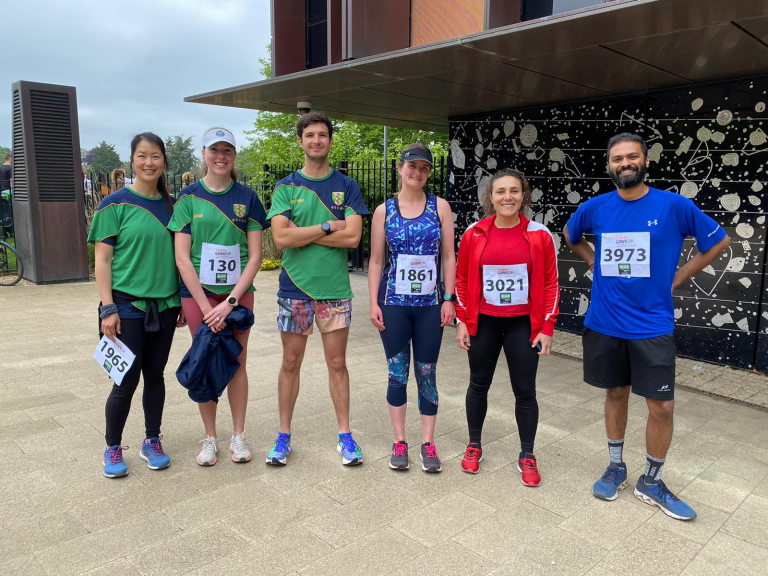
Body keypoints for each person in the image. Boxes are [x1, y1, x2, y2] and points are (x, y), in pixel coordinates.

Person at [564, 132, 731, 520]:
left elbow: (718, 242)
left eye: (632, 157)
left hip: (652, 324)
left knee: (662, 405)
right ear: (609, 166)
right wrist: (593, 261)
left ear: (646, 162)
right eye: (617, 159)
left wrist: (676, 279)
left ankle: (652, 481)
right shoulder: (595, 207)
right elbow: (571, 236)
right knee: (616, 394)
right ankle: (616, 466)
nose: (625, 163)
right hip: (605, 321)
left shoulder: (674, 206)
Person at [266, 112, 369, 466]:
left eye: (322, 135)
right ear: (300, 141)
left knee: (337, 363)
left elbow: (354, 237)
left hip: (335, 291)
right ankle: (283, 437)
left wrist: (303, 233)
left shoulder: (348, 185)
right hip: (294, 290)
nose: (316, 141)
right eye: (309, 135)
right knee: (290, 362)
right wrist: (328, 226)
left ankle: (345, 437)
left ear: (329, 140)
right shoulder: (285, 187)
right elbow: (280, 238)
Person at [168, 127, 268, 467]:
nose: (221, 156)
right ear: (204, 155)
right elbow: (182, 257)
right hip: (198, 297)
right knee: (205, 359)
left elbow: (255, 256)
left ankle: (237, 435)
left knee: (237, 361)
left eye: (227, 150)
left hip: (237, 296)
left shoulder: (248, 197)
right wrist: (204, 304)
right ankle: (210, 437)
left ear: (234, 155)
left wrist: (230, 302)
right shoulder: (188, 198)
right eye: (215, 150)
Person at [88, 133, 184, 478]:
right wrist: (107, 308)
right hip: (126, 306)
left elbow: (181, 258)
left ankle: (151, 440)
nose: (149, 162)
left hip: (167, 304)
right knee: (125, 381)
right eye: (142, 156)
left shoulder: (174, 206)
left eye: (155, 156)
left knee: (155, 376)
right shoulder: (114, 204)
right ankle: (112, 448)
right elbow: (102, 260)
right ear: (133, 161)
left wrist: (183, 299)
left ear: (164, 162)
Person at [455, 168, 559, 485]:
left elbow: (551, 285)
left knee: (525, 391)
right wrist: (462, 320)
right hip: (483, 322)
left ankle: (527, 454)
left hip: (523, 325)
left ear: (523, 195)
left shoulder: (540, 235)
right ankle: (474, 445)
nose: (507, 197)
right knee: (478, 384)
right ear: (491, 196)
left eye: (514, 191)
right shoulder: (474, 234)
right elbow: (461, 280)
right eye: (501, 191)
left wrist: (547, 328)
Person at [368, 143, 456, 473]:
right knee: (397, 374)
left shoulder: (441, 207)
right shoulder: (383, 211)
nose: (416, 172)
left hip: (430, 306)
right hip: (393, 304)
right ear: (399, 168)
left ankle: (429, 444)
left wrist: (450, 298)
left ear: (428, 173)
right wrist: (374, 301)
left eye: (424, 168)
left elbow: (448, 256)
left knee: (427, 374)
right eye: (411, 166)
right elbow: (376, 259)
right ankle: (400, 440)